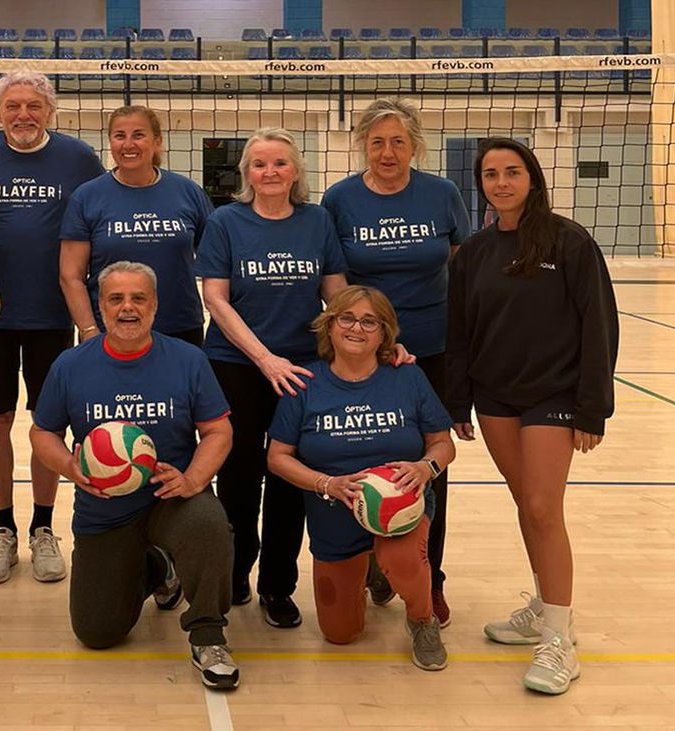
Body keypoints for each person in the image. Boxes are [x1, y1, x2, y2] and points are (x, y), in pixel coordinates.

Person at [446, 137, 618, 695]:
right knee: (527, 503)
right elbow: (461, 334)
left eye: (512, 172)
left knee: (544, 507)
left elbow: (600, 325)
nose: (500, 182)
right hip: (496, 397)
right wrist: (458, 399)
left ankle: (560, 641)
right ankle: (545, 606)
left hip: (555, 395)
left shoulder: (568, 241)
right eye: (490, 174)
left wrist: (594, 406)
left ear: (533, 178)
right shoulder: (473, 252)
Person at [30, 261, 239, 690]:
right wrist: (69, 465)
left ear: (155, 305)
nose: (128, 308)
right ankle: (159, 570)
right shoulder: (71, 366)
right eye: (116, 299)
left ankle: (207, 634)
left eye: (138, 298)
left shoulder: (187, 359)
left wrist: (194, 478)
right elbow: (42, 431)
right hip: (106, 510)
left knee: (208, 521)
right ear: (100, 307)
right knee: (97, 632)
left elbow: (219, 431)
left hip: (171, 497)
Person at [0, 72, 105, 586]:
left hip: (54, 314)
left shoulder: (78, 158)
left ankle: (43, 528)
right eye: (12, 106)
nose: (23, 114)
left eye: (33, 105)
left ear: (50, 110)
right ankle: (4, 528)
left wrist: (90, 317)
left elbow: (99, 220)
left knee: (47, 425)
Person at [321, 97, 471, 626]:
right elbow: (333, 278)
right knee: (360, 454)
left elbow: (464, 272)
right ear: (363, 143)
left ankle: (430, 578)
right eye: (378, 141)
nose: (388, 152)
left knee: (428, 468)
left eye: (398, 142)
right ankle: (369, 565)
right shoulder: (340, 198)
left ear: (415, 147)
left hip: (430, 352)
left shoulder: (442, 194)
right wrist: (367, 338)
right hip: (364, 350)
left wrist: (465, 368)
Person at [194, 127, 349, 629]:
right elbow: (215, 298)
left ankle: (278, 586)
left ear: (296, 170)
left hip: (302, 367)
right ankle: (236, 569)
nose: (270, 172)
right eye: (259, 164)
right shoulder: (226, 222)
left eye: (280, 163)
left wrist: (371, 345)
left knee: (288, 481)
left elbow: (339, 297)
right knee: (238, 477)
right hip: (237, 364)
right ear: (247, 174)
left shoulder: (317, 221)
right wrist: (264, 359)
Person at [266, 285, 455, 671]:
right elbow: (277, 457)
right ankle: (371, 567)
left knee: (402, 559)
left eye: (370, 321)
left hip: (402, 503)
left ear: (385, 333)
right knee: (340, 634)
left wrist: (424, 468)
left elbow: (442, 444)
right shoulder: (304, 383)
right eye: (347, 318)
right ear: (329, 326)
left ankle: (421, 619)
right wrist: (326, 483)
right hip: (334, 509)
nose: (357, 328)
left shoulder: (408, 377)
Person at [59, 105, 213, 347]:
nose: (128, 144)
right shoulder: (87, 197)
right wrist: (89, 330)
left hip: (180, 327)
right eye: (120, 136)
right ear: (110, 141)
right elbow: (71, 276)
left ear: (157, 142)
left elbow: (217, 265)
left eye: (138, 135)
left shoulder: (188, 192)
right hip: (111, 330)